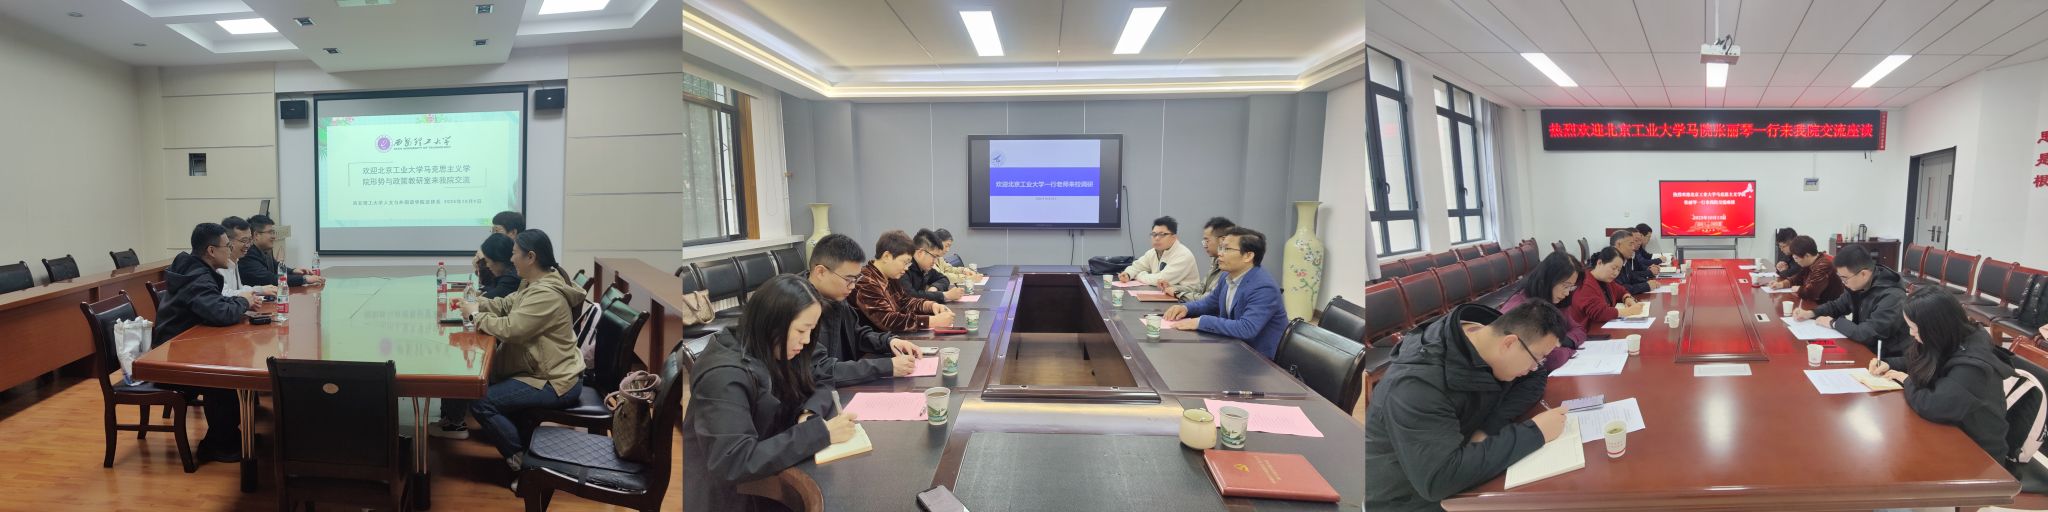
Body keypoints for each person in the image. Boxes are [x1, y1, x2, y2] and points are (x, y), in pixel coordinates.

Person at [1364, 301, 1573, 510]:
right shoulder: (1417, 387)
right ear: (1509, 344)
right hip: (1407, 499)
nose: (1535, 367)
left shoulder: (1488, 337)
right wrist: (1535, 433)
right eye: (1537, 358)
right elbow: (1439, 480)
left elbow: (1536, 377)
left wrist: (1490, 427)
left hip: (1456, 458)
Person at [684, 274, 859, 512]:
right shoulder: (723, 375)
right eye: (802, 330)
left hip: (770, 480)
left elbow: (823, 379)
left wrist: (808, 414)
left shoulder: (775, 347)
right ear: (772, 323)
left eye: (811, 330)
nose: (807, 340)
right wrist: (820, 433)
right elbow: (733, 461)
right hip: (735, 498)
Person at [454, 230, 587, 472]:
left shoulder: (545, 294)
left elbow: (512, 329)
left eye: (515, 253)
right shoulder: (533, 283)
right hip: (541, 371)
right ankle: (525, 450)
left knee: (482, 401)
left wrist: (475, 316)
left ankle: (523, 466)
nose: (511, 258)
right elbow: (505, 305)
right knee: (485, 384)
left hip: (553, 380)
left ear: (531, 257)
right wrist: (477, 303)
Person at [1868, 288, 2018, 475]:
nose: (1911, 333)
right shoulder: (1949, 337)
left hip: (1977, 453)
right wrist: (1890, 364)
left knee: (1894, 464)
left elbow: (1935, 406)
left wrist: (1906, 379)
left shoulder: (1973, 366)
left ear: (1935, 327)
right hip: (1949, 431)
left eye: (1914, 328)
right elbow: (1922, 359)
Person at [155, 222, 260, 463]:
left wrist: (238, 303)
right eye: (227, 246)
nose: (231, 250)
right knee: (224, 374)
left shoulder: (197, 269)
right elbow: (220, 313)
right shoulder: (197, 276)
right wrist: (243, 302)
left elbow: (217, 305)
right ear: (211, 251)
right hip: (172, 356)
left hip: (185, 346)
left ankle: (228, 437)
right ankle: (217, 444)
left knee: (231, 363)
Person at [430, 233, 522, 439]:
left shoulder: (512, 278)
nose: (486, 265)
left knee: (459, 352)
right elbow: (491, 294)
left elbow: (494, 299)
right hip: (504, 340)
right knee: (460, 345)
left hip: (508, 347)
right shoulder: (510, 275)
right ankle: (451, 416)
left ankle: (454, 421)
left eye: (488, 261)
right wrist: (475, 298)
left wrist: (474, 305)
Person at [803, 234, 921, 386]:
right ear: (821, 272)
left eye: (856, 279)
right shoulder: (798, 307)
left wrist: (889, 341)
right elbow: (820, 370)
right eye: (848, 279)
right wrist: (886, 366)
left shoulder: (835, 296)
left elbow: (858, 333)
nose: (853, 286)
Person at [1162, 227, 1288, 358]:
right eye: (1221, 248)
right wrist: (1185, 308)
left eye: (1226, 249)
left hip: (1258, 358)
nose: (1220, 254)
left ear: (1248, 256)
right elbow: (1209, 303)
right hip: (1232, 347)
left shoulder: (1264, 287)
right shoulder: (1226, 275)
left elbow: (1247, 328)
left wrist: (1201, 322)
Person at [1794, 245, 1907, 357]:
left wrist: (1833, 323)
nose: (1844, 283)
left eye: (1845, 278)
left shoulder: (1893, 296)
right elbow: (1837, 306)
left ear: (1863, 274)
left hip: (1884, 358)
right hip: (1862, 346)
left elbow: (1868, 334)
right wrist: (1811, 313)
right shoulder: (1858, 284)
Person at [1503, 251, 1608, 370]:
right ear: (1549, 278)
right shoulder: (1522, 309)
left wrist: (1563, 341)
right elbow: (1553, 359)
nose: (1567, 293)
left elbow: (1579, 330)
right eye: (1565, 286)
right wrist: (1570, 350)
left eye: (1571, 287)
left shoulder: (1555, 301)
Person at [850, 230, 955, 332]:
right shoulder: (865, 281)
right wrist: (931, 321)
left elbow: (906, 302)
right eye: (905, 262)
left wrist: (931, 306)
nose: (906, 268)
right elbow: (888, 321)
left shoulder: (890, 277)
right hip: (874, 341)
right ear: (887, 256)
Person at [1567, 248, 1647, 347]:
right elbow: (1599, 313)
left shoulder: (1605, 280)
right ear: (1599, 263)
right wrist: (1629, 311)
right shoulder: (1586, 283)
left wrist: (1627, 298)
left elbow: (1621, 291)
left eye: (1619, 270)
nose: (1616, 273)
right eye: (1613, 268)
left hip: (1602, 330)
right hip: (1586, 338)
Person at [239, 215, 324, 288]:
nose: (274, 237)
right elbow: (270, 279)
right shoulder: (248, 254)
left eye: (273, 232)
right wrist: (304, 279)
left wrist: (293, 271)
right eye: (270, 232)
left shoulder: (265, 250)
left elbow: (276, 267)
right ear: (256, 235)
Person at [1163, 217, 1235, 303]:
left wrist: (1177, 293)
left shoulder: (1229, 266)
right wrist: (1174, 288)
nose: (1204, 245)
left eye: (1207, 240)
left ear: (1222, 240)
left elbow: (1208, 299)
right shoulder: (1215, 260)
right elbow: (1201, 288)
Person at [1120, 216, 1201, 292]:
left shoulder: (1183, 255)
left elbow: (1161, 279)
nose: (1157, 238)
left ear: (1174, 237)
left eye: (1162, 234)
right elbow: (1137, 266)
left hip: (1185, 298)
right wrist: (1128, 274)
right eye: (1154, 234)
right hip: (1164, 294)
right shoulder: (1153, 252)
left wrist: (1139, 275)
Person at [901, 229, 963, 303]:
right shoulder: (903, 269)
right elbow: (910, 296)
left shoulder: (924, 267)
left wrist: (935, 287)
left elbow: (944, 279)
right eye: (934, 256)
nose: (935, 261)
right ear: (920, 253)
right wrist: (945, 295)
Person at [1786, 235, 1847, 305]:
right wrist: (1782, 284)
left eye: (1796, 258)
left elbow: (1811, 293)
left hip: (1831, 307)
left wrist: (1799, 289)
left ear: (1807, 255)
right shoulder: (1811, 262)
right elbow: (1797, 278)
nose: (1795, 261)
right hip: (1820, 305)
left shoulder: (1823, 265)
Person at [474, 210, 525, 279]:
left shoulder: (519, 255)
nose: (493, 235)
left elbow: (499, 281)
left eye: (497, 230)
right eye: (492, 231)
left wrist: (483, 261)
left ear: (513, 232)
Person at [1610, 230, 1659, 295]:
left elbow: (1632, 277)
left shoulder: (1624, 260)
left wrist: (1648, 282)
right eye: (1630, 244)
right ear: (1618, 244)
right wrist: (1646, 286)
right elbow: (1620, 289)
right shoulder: (1609, 262)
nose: (1633, 248)